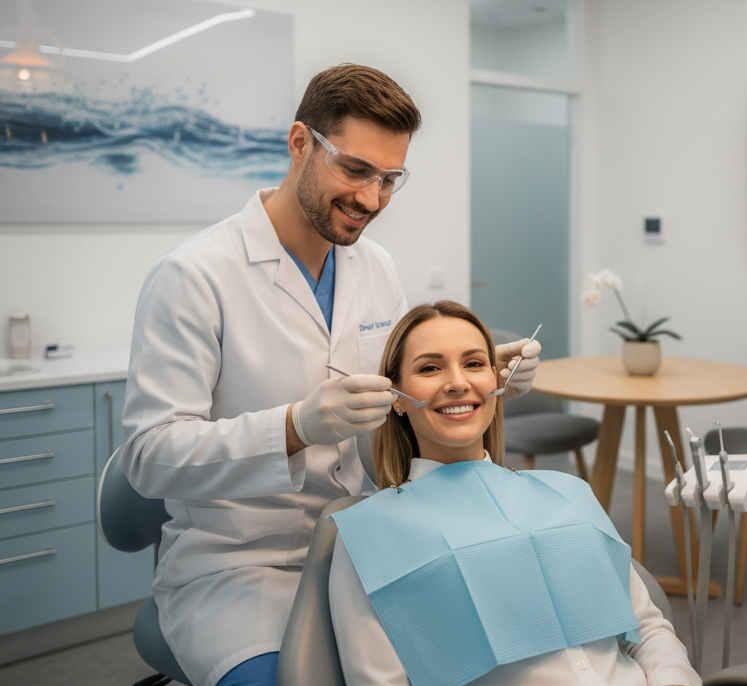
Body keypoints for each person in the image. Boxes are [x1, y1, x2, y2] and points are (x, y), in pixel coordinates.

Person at [120, 65, 542, 686]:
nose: (372, 199)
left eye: (390, 179)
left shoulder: (377, 269)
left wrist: (474, 379)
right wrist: (295, 427)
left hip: (364, 542)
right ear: (300, 145)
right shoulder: (193, 277)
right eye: (355, 169)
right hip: (239, 567)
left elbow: (401, 402)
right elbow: (148, 458)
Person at [328, 301, 701, 686]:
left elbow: (649, 629)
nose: (458, 382)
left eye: (474, 363)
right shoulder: (370, 535)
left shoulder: (567, 493)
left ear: (498, 381)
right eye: (430, 368)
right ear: (398, 397)